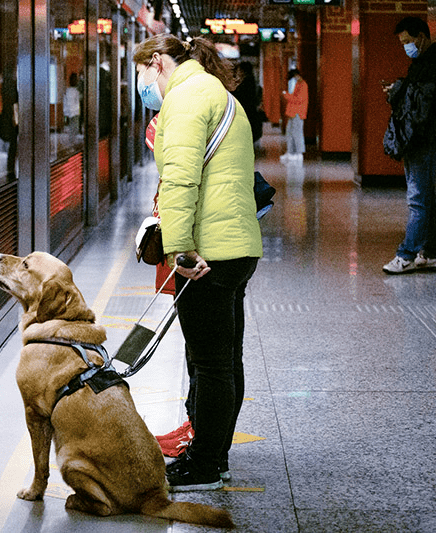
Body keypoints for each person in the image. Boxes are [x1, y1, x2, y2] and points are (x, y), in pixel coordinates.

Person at [133, 34, 263, 491]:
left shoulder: (186, 98)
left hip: (208, 252)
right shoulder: (218, 93)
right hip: (237, 246)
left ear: (156, 62)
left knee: (208, 364)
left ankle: (205, 464)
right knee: (225, 360)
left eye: (141, 73)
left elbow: (181, 181)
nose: (142, 83)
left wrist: (180, 249)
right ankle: (215, 456)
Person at [382, 16, 436, 273]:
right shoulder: (420, 63)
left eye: (407, 41)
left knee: (418, 200)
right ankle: (430, 251)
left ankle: (407, 254)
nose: (406, 47)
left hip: (423, 142)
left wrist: (399, 92)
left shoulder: (429, 65)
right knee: (429, 199)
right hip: (423, 141)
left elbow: (421, 107)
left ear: (421, 37)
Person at [280, 69, 308, 164]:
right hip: (293, 112)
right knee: (290, 132)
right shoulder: (298, 84)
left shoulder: (303, 85)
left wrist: (286, 95)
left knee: (297, 133)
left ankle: (299, 153)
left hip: (298, 112)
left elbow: (298, 99)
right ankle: (290, 152)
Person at [231, 61, 263, 143]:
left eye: (239, 70)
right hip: (251, 113)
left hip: (246, 114)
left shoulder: (246, 83)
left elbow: (240, 98)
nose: (237, 72)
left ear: (243, 71)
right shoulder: (253, 82)